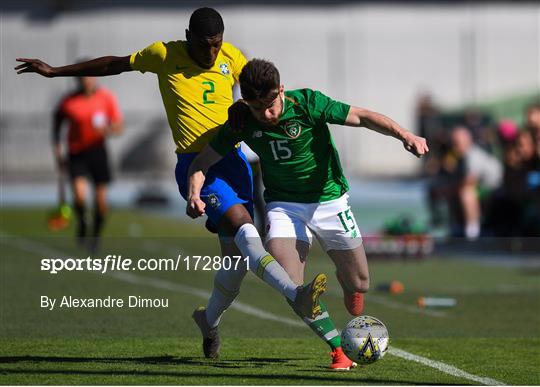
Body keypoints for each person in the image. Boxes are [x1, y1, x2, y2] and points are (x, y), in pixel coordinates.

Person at [15, 7, 325, 358]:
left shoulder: (231, 55)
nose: (212, 52)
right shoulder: (163, 55)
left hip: (235, 163)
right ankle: (295, 293)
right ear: (189, 36)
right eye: (207, 45)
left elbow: (257, 87)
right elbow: (113, 64)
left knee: (235, 263)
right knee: (246, 230)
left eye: (217, 45)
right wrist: (55, 72)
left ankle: (208, 321)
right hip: (198, 166)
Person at [187, 59, 429, 368]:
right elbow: (201, 162)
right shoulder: (241, 121)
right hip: (284, 207)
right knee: (291, 284)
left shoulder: (308, 104)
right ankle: (338, 349)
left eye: (272, 105)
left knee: (361, 282)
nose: (267, 114)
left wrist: (404, 135)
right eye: (257, 108)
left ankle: (349, 284)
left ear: (282, 91)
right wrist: (195, 193)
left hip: (330, 201)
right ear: (246, 102)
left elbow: (362, 116)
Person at [52, 72, 123, 251]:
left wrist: (110, 129)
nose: (87, 82)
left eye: (90, 78)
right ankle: (83, 223)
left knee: (100, 202)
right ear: (78, 81)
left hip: (98, 153)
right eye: (83, 79)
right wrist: (58, 151)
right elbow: (56, 126)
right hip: (77, 153)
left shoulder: (106, 97)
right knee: (79, 196)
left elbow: (118, 126)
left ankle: (96, 235)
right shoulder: (68, 101)